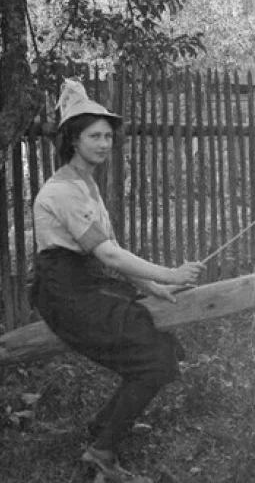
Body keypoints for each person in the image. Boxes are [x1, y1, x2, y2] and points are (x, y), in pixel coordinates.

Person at [31, 79, 205, 480]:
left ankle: (103, 429)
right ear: (73, 140)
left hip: (85, 285)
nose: (105, 143)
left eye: (108, 135)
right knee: (153, 361)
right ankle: (101, 451)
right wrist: (171, 272)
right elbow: (107, 254)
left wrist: (156, 288)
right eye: (94, 136)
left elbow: (108, 252)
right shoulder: (62, 191)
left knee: (157, 352)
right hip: (64, 294)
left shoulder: (86, 183)